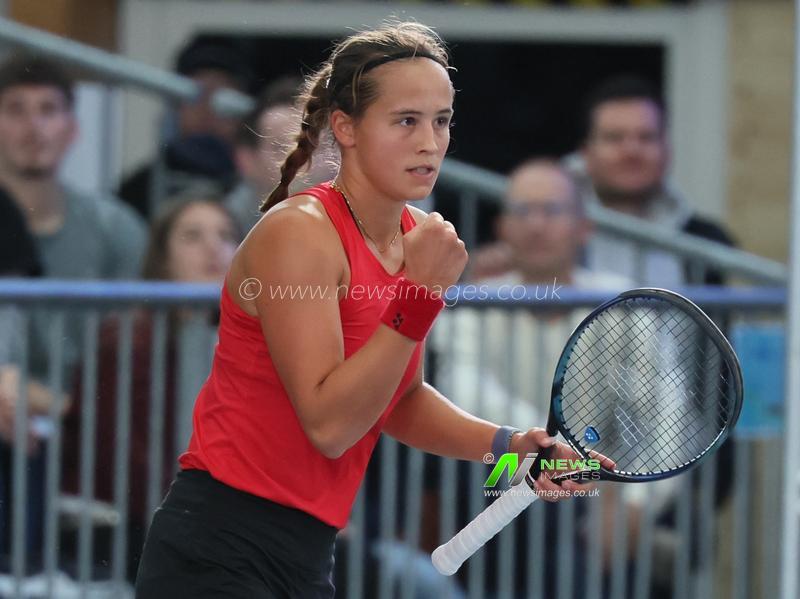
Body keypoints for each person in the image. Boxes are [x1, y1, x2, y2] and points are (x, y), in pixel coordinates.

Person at [134, 22, 611, 599]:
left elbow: (398, 400)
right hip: (217, 545)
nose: (430, 142)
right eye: (406, 120)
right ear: (346, 127)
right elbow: (330, 425)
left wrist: (512, 447)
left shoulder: (410, 238)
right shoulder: (299, 233)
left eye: (441, 120)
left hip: (307, 552)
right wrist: (420, 293)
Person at [61, 194, 241, 581]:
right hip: (119, 525)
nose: (214, 247)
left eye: (226, 235)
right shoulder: (127, 340)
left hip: (208, 522)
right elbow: (129, 465)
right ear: (162, 257)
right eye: (193, 236)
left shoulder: (248, 338)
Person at [0, 54, 148, 380]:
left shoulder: (116, 228)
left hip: (89, 417)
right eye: (16, 109)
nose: (33, 127)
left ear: (73, 130)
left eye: (48, 110)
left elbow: (132, 349)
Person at [566, 75, 734, 286]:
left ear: (667, 150)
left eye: (646, 137)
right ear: (586, 154)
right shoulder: (551, 234)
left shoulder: (706, 240)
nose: (631, 151)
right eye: (614, 138)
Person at [118, 40, 253, 219]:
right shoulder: (137, 190)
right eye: (196, 97)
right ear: (176, 106)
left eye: (221, 101)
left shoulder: (260, 184)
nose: (207, 110)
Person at [226, 76, 336, 235]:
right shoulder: (221, 231)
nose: (304, 161)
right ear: (246, 160)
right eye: (283, 147)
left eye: (316, 146)